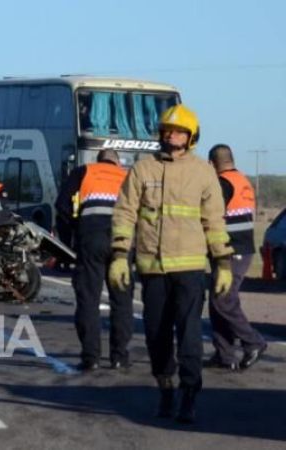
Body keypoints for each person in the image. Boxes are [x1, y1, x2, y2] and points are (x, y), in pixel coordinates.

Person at [109, 105, 234, 424]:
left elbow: (215, 222)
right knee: (156, 335)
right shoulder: (142, 170)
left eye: (178, 131)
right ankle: (165, 389)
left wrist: (223, 262)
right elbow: (125, 213)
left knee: (190, 335)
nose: (171, 136)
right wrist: (120, 255)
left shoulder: (203, 173)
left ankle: (189, 395)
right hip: (152, 270)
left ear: (191, 137)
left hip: (190, 272)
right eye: (166, 131)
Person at [55, 149, 133, 372]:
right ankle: (119, 357)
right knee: (122, 301)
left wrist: (69, 240)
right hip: (122, 242)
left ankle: (91, 358)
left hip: (91, 239)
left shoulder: (84, 172)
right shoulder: (127, 176)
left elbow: (62, 206)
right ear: (117, 162)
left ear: (99, 161)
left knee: (89, 299)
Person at [206, 144, 267, 370]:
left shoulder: (222, 184)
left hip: (233, 250)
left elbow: (212, 215)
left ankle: (253, 341)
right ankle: (224, 354)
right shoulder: (243, 181)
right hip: (243, 248)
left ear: (212, 163)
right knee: (218, 299)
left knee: (223, 299)